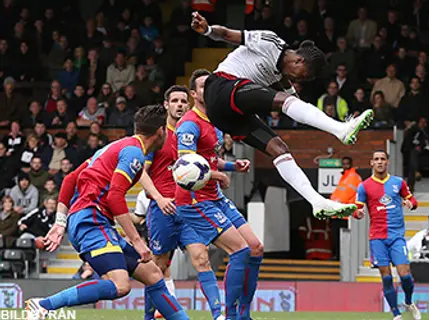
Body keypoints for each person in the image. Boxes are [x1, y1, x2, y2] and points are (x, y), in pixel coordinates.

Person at [190, 12, 373, 219]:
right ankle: (341, 129)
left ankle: (317, 201)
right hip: (220, 88)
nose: (299, 80)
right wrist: (206, 30)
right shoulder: (271, 42)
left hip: (227, 117)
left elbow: (298, 107)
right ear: (299, 60)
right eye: (303, 75)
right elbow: (227, 35)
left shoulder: (282, 77)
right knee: (284, 101)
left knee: (280, 149)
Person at [25, 105, 189, 320]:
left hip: (92, 220)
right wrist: (136, 241)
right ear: (160, 131)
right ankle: (44, 305)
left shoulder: (116, 147)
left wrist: (59, 222)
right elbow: (114, 196)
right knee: (121, 285)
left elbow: (70, 179)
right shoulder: (134, 153)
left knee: (153, 275)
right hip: (91, 220)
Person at [137, 85, 226, 320]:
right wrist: (158, 197)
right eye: (175, 101)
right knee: (157, 267)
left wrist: (222, 172)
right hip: (162, 209)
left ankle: (218, 315)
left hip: (189, 207)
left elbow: (207, 165)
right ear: (166, 105)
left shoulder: (192, 133)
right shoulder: (155, 136)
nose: (180, 105)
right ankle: (148, 317)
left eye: (183, 101)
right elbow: (141, 173)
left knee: (202, 258)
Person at [176, 77, 258, 319]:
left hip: (214, 196)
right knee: (240, 250)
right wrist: (216, 175)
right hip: (194, 200)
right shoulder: (189, 124)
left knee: (255, 248)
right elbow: (184, 166)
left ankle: (243, 314)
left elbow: (209, 159)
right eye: (203, 87)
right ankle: (230, 315)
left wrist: (232, 166)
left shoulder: (214, 120)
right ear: (193, 93)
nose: (208, 90)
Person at [353, 150, 420, 320]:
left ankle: (408, 301)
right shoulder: (364, 186)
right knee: (387, 277)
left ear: (387, 162)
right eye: (376, 159)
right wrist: (358, 213)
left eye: (383, 159)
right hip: (377, 237)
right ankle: (396, 314)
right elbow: (357, 208)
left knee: (405, 274)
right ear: (372, 163)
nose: (380, 162)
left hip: (397, 235)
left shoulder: (398, 182)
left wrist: (410, 204)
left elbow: (413, 201)